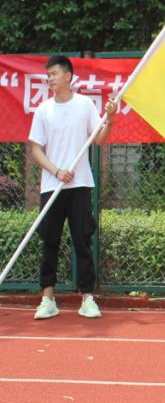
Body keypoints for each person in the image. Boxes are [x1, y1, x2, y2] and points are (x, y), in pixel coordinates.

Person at [28, 55, 117, 320]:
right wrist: (56, 171)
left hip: (79, 185)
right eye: (48, 75)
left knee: (82, 240)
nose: (50, 79)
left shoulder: (84, 105)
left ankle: (88, 298)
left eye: (54, 74)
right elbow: (36, 150)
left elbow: (99, 139)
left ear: (68, 76)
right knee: (50, 241)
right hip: (51, 186)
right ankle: (48, 298)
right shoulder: (43, 110)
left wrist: (111, 119)